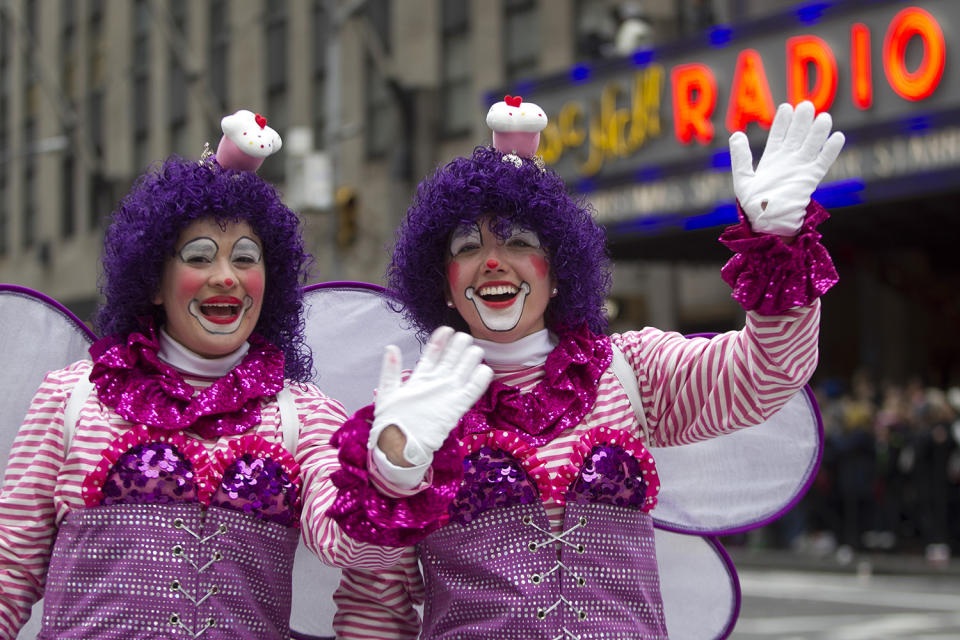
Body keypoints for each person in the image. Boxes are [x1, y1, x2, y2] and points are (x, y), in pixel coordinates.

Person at [325, 98, 844, 639]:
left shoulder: (630, 371)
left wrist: (777, 244)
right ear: (444, 283)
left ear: (560, 272)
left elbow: (770, 371)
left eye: (520, 242)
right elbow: (375, 604)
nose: (494, 262)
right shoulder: (409, 410)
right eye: (468, 246)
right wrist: (391, 466)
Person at [0, 109, 490, 640]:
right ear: (155, 282)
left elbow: (349, 545)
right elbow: (9, 572)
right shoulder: (73, 395)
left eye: (246, 258)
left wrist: (395, 464)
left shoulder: (302, 414)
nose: (226, 277)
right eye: (200, 256)